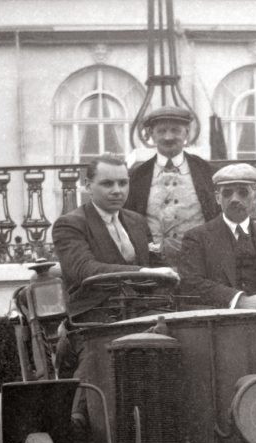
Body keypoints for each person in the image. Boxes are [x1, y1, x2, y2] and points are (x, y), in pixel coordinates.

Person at [51, 154, 174, 396]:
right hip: (94, 321)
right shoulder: (70, 224)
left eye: (123, 183)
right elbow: (84, 269)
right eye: (107, 184)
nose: (117, 190)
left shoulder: (136, 221)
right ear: (88, 186)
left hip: (143, 314)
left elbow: (156, 263)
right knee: (95, 372)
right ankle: (80, 420)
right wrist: (143, 271)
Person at [177, 163, 256, 310]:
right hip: (219, 326)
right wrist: (238, 300)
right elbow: (190, 283)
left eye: (243, 192)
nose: (234, 199)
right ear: (218, 198)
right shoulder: (196, 238)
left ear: (255, 197)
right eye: (227, 193)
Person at [126, 103, 219, 261]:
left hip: (200, 261)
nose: (168, 137)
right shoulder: (138, 175)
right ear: (151, 134)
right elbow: (129, 220)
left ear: (187, 133)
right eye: (161, 131)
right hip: (152, 264)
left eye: (175, 130)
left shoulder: (207, 171)